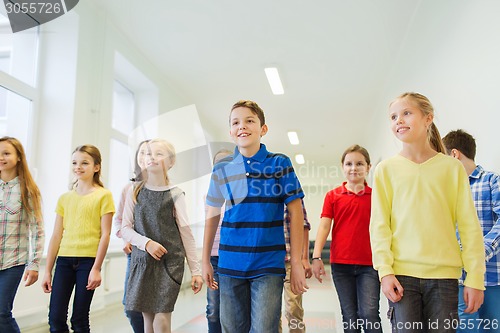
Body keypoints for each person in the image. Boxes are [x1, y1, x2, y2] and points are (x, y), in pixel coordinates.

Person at [369, 92, 486, 332]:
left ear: (428, 118)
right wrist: (385, 272)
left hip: (444, 279)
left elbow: (469, 226)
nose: (399, 120)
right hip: (402, 277)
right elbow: (380, 225)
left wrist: (475, 278)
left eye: (406, 113)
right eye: (393, 117)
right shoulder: (386, 170)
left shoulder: (451, 168)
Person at [202, 100, 308, 333]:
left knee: (264, 329)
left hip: (268, 264)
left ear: (263, 128)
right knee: (233, 329)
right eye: (236, 122)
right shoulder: (222, 168)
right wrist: (205, 260)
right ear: (230, 132)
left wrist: (298, 262)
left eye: (250, 120)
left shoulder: (279, 163)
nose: (243, 126)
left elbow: (296, 211)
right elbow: (212, 213)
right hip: (229, 263)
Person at [121, 138, 203, 333]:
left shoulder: (176, 194)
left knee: (162, 318)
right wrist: (146, 243)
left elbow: (186, 234)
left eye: (159, 154)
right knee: (147, 320)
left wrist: (196, 271)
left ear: (171, 161)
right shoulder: (134, 190)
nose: (152, 157)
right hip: (142, 262)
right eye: (149, 153)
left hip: (170, 264)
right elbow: (125, 228)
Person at [41, 144, 115, 332]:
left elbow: (105, 234)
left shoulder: (104, 196)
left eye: (84, 163)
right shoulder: (65, 199)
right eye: (75, 162)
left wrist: (97, 268)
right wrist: (48, 270)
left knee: (79, 319)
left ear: (96, 167)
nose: (78, 167)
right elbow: (56, 235)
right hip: (64, 262)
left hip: (88, 263)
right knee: (55, 318)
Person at [312, 144, 382, 333]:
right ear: (342, 167)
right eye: (349, 163)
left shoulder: (377, 197)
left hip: (370, 265)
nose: (354, 168)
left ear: (368, 167)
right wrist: (316, 257)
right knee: (350, 315)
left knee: (369, 314)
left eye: (360, 164)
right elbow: (324, 226)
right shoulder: (333, 196)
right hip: (341, 265)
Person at [442, 129, 500, 333]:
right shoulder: (447, 190)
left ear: (454, 155)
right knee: (466, 329)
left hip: (492, 277)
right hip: (460, 279)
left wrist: (479, 252)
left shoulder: (492, 181)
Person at [0, 136, 44, 333]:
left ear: (18, 157)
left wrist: (34, 264)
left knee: (1, 312)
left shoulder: (28, 190)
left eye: (6, 153)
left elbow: (38, 230)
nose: (1, 157)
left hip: (13, 262)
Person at [114, 140, 149, 333]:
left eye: (151, 153)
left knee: (154, 306)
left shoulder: (166, 189)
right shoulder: (128, 189)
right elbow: (119, 221)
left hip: (157, 255)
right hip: (134, 254)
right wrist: (125, 238)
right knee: (131, 305)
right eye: (142, 153)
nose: (146, 157)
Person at [206, 148, 232, 333]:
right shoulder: (209, 196)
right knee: (214, 310)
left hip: (234, 258)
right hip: (214, 259)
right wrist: (204, 259)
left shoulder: (241, 194)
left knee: (233, 310)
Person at [280, 198, 312, 333]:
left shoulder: (292, 193)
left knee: (294, 308)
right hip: (269, 261)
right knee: (270, 312)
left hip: (291, 261)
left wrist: (304, 258)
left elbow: (304, 226)